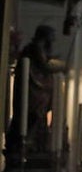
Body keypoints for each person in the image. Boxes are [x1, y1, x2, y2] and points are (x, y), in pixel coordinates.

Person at [5, 25, 65, 155]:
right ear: (45, 36)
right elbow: (45, 65)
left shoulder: (38, 48)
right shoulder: (35, 48)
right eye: (51, 37)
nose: (52, 41)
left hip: (37, 90)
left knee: (36, 119)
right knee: (31, 117)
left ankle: (30, 145)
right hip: (33, 92)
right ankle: (24, 146)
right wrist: (61, 66)